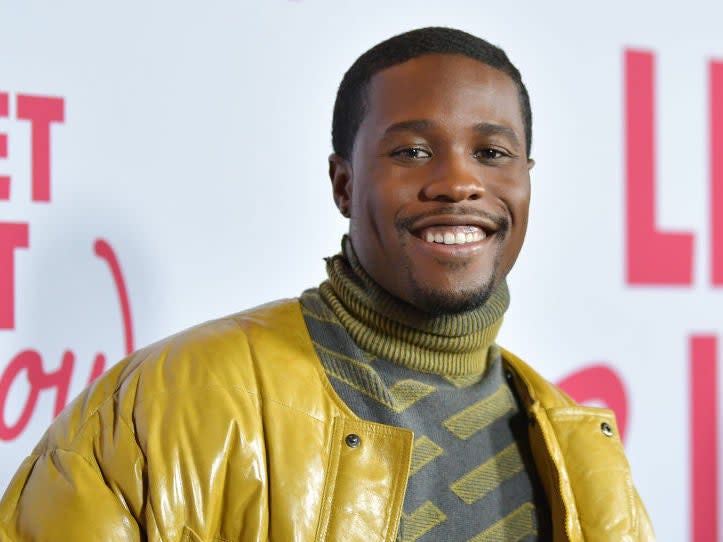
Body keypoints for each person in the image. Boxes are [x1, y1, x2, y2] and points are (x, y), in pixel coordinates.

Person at [0, 27, 653, 541]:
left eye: (491, 153)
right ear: (343, 183)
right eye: (412, 152)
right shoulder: (172, 399)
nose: (458, 182)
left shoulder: (579, 454)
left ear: (526, 178)